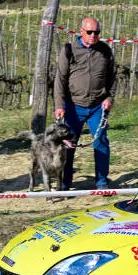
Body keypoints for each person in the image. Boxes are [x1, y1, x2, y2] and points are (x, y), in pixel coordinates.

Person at [53, 16, 116, 189]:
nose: (93, 35)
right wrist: (59, 105)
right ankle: (65, 183)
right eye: (89, 32)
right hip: (73, 106)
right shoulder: (69, 50)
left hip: (97, 106)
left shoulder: (105, 51)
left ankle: (102, 182)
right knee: (68, 144)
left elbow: (113, 78)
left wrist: (109, 97)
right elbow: (60, 79)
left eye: (97, 32)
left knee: (101, 141)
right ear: (81, 31)